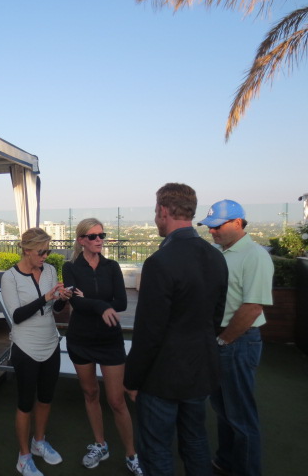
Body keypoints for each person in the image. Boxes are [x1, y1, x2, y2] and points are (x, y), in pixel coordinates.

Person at [124, 183, 229, 476]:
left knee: (156, 449)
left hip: (162, 378)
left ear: (164, 210)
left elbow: (149, 333)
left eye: (156, 211)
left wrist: (132, 380)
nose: (155, 217)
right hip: (200, 371)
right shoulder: (216, 257)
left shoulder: (160, 262)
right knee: (196, 441)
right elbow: (216, 318)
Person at [197, 200, 274, 476]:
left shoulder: (254, 255)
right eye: (210, 227)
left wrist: (224, 340)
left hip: (238, 341)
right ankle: (227, 462)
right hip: (224, 341)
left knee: (240, 416)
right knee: (224, 410)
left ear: (238, 223)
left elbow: (253, 307)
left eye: (218, 227)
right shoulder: (221, 252)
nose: (213, 232)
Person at [62, 218, 142, 475]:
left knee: (117, 401)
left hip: (109, 341)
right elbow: (77, 304)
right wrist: (101, 305)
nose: (99, 240)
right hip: (81, 340)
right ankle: (100, 445)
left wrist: (92, 301)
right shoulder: (70, 267)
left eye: (102, 235)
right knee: (90, 394)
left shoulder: (112, 267)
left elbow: (121, 303)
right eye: (93, 236)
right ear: (81, 240)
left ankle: (132, 455)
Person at [0, 227, 71, 476]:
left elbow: (56, 308)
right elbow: (17, 316)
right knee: (25, 402)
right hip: (25, 346)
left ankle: (38, 442)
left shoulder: (50, 270)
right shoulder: (10, 277)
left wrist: (62, 298)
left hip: (50, 342)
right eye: (41, 252)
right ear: (27, 250)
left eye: (48, 251)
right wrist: (45, 298)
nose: (45, 256)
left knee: (46, 398)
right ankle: (24, 456)